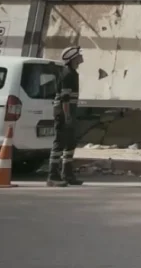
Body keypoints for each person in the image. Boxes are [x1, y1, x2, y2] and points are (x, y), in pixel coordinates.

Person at [48, 45, 84, 187]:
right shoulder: (67, 74)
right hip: (63, 113)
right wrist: (67, 116)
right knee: (59, 143)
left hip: (69, 112)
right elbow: (65, 98)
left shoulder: (73, 73)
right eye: (79, 55)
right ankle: (52, 176)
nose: (81, 56)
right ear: (73, 58)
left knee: (70, 143)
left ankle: (67, 174)